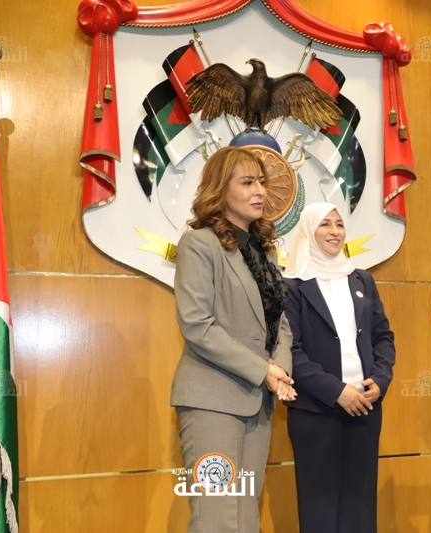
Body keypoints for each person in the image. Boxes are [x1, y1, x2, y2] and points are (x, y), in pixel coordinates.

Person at [171, 146, 296, 533]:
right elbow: (197, 325)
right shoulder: (199, 244)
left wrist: (280, 371)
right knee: (217, 520)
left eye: (262, 182)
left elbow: (281, 324)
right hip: (211, 401)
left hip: (258, 403)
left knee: (245, 519)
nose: (260, 190)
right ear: (220, 190)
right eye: (247, 182)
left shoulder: (264, 253)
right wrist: (263, 370)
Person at [283, 202, 395, 533]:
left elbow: (383, 337)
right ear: (308, 231)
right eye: (325, 224)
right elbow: (290, 351)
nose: (335, 232)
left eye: (339, 224)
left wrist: (380, 380)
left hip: (365, 409)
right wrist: (336, 392)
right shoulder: (291, 286)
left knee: (360, 509)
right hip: (314, 412)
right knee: (319, 510)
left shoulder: (362, 280)